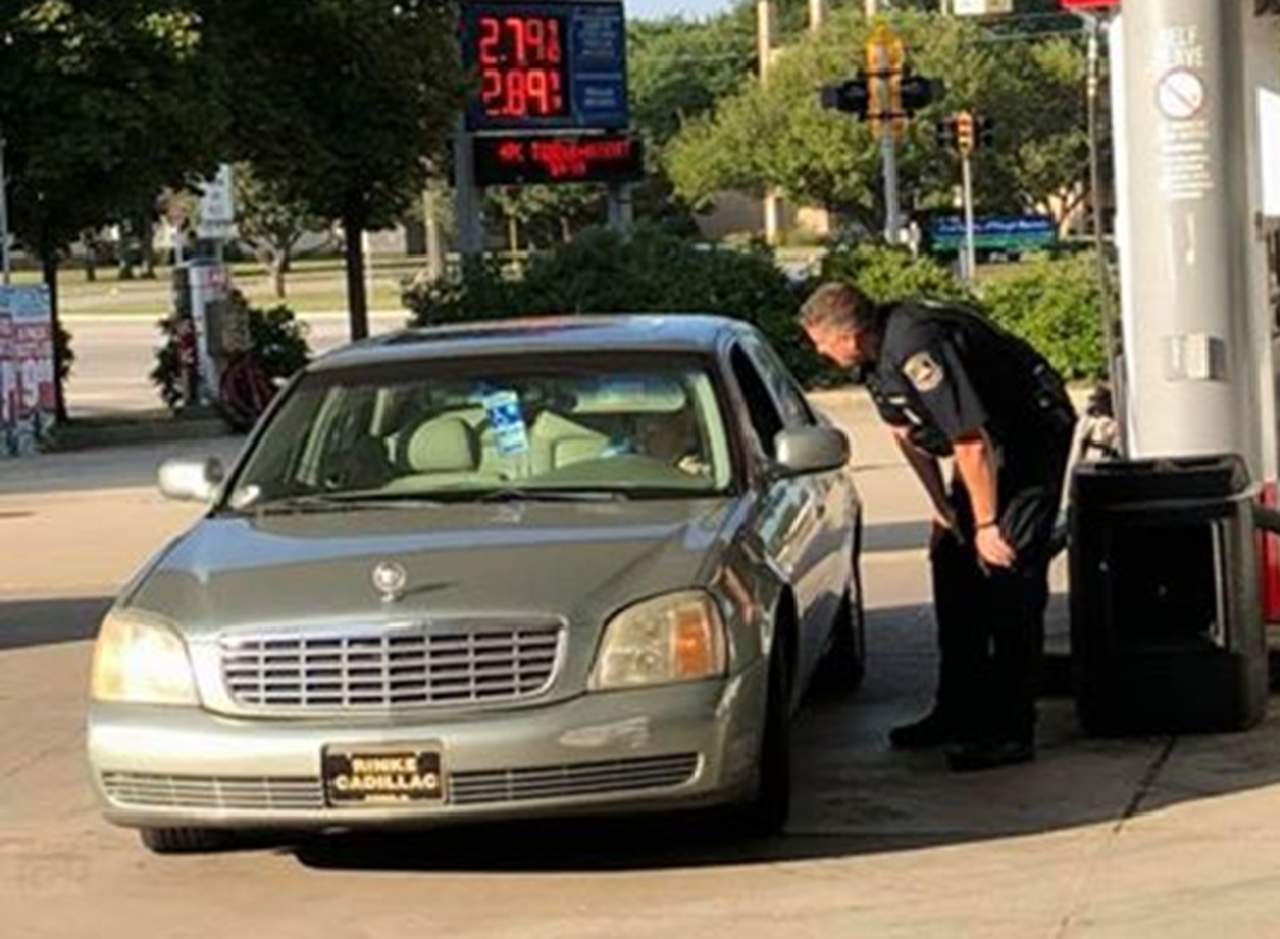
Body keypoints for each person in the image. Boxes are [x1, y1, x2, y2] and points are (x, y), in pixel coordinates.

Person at [800, 282, 1076, 771]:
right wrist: (943, 509)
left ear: (849, 335)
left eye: (821, 342)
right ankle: (957, 709)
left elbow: (970, 442)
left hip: (1027, 435)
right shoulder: (874, 360)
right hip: (984, 447)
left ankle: (1010, 728)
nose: (819, 352)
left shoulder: (915, 345)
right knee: (952, 560)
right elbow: (907, 434)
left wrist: (987, 525)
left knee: (1007, 571)